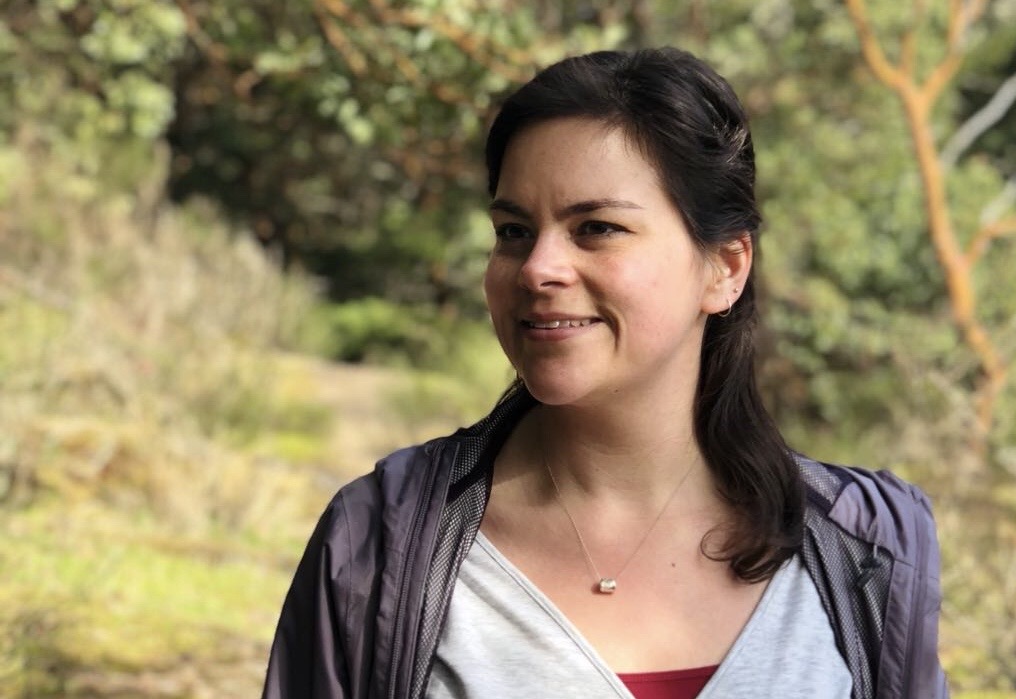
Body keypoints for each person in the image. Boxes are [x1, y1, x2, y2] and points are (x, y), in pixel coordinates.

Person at [262, 47, 948, 699]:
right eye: (512, 231)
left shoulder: (862, 547)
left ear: (724, 267)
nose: (537, 268)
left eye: (595, 227)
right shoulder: (382, 543)